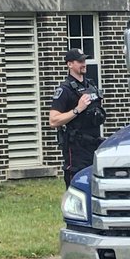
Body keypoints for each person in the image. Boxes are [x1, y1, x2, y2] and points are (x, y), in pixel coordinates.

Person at [49, 48, 106, 186]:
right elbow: (53, 120)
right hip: (76, 149)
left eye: (84, 60)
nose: (84, 64)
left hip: (94, 144)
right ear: (69, 64)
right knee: (77, 184)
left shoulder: (91, 85)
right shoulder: (64, 90)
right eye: (80, 61)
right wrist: (77, 109)